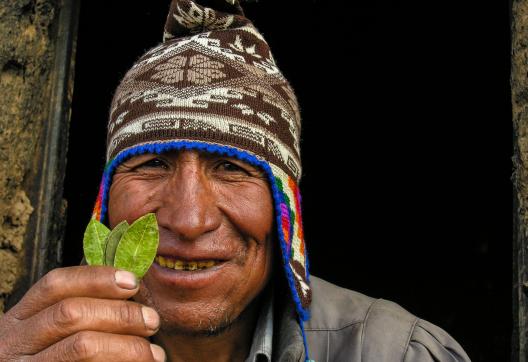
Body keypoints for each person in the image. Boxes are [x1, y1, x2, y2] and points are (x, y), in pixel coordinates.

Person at [0, 0, 471, 361]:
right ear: (103, 203)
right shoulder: (35, 345)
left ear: (284, 209)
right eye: (151, 164)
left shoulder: (392, 353)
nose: (188, 219)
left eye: (231, 167)